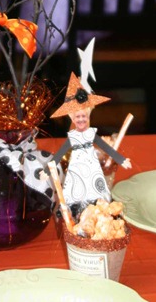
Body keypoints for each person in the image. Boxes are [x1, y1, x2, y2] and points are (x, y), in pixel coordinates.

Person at [46, 73, 131, 217]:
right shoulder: (73, 137)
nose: (81, 120)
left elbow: (105, 147)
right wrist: (47, 170)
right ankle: (74, 209)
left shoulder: (91, 134)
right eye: (77, 117)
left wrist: (122, 160)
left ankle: (97, 207)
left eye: (84, 116)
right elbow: (60, 153)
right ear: (72, 117)